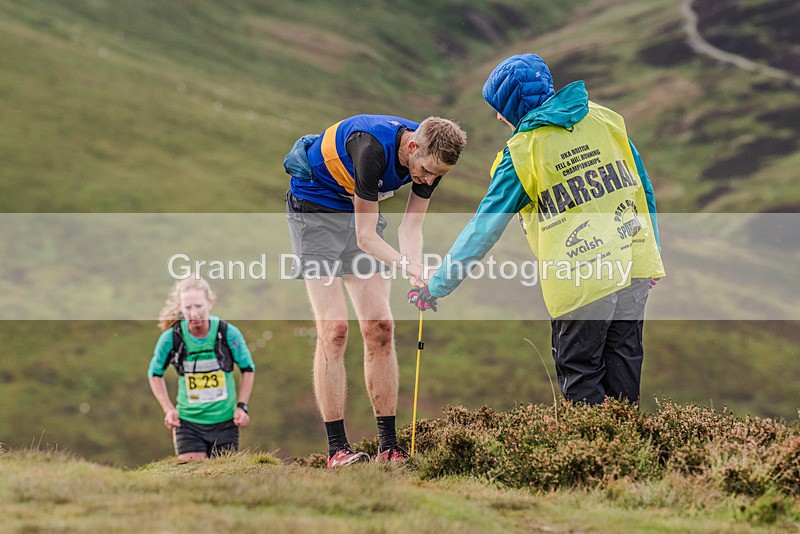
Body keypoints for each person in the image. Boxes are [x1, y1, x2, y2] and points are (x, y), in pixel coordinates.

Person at [409, 54, 665, 406]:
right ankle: (625, 443)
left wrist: (437, 285)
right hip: (634, 264)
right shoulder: (604, 118)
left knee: (582, 379)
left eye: (500, 108)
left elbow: (483, 230)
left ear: (514, 105)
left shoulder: (523, 152)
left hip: (581, 279)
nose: (499, 117)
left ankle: (596, 444)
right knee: (623, 377)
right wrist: (652, 254)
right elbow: (643, 187)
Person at [283, 114, 467, 467]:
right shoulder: (371, 149)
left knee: (380, 327)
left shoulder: (432, 156)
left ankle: (389, 448)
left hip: (357, 208)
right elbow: (366, 238)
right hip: (314, 210)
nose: (428, 180)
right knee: (334, 330)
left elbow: (411, 228)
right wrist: (410, 266)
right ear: (412, 146)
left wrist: (417, 276)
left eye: (437, 176)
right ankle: (337, 450)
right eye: (426, 171)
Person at [147, 277, 255, 460]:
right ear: (180, 308)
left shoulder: (227, 333)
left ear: (210, 303)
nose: (194, 313)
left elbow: (248, 369)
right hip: (188, 423)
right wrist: (168, 410)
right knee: (192, 474)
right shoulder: (171, 338)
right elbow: (154, 374)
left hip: (225, 422)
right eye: (188, 308)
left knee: (224, 476)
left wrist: (242, 407)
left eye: (198, 306)